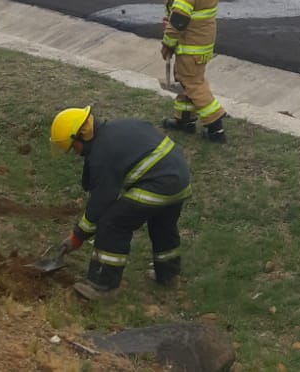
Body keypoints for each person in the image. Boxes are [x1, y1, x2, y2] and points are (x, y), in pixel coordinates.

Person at [47, 106, 192, 300]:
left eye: (73, 146)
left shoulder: (101, 154)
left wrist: (77, 236)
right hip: (180, 179)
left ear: (81, 136)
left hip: (158, 183)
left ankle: (103, 285)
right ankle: (168, 275)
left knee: (112, 223)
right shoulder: (118, 127)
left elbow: (101, 204)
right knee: (162, 224)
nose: (74, 152)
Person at [160, 0, 226, 142]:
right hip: (204, 40)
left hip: (190, 43)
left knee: (193, 83)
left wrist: (168, 44)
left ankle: (216, 128)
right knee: (187, 80)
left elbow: (179, 20)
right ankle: (184, 120)